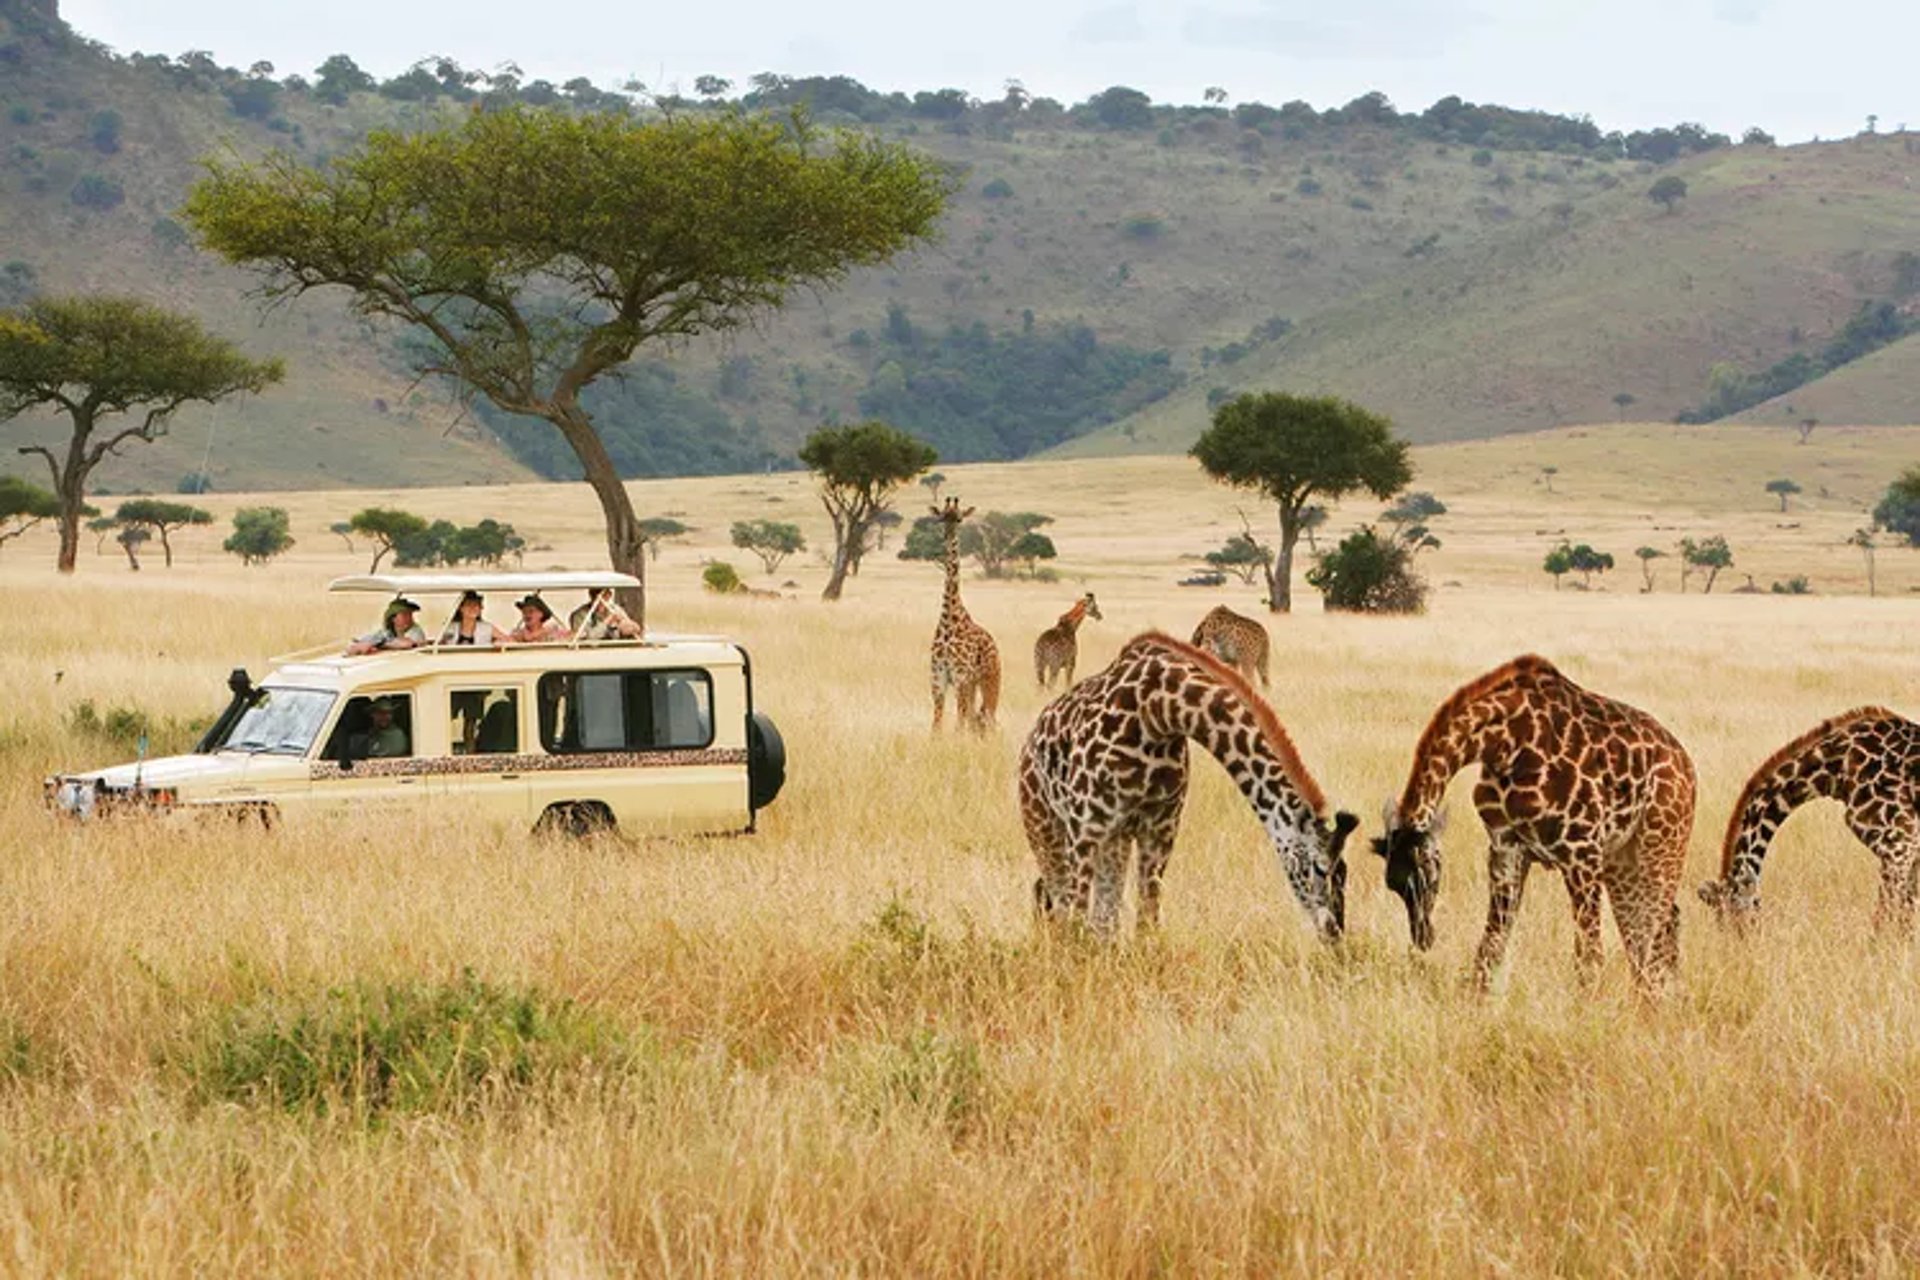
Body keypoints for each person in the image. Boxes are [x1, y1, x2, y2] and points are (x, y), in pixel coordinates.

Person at [345, 598, 426, 655]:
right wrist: (361, 646)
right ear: (393, 618)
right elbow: (356, 644)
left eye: (410, 614)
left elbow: (409, 644)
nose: (409, 618)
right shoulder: (387, 631)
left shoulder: (415, 630)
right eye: (404, 615)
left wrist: (378, 645)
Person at [568, 588, 644, 641]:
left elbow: (629, 628)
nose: (603, 600)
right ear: (591, 595)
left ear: (609, 595)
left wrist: (633, 627)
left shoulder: (615, 610)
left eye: (606, 596)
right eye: (599, 596)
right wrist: (607, 622)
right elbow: (589, 637)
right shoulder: (579, 615)